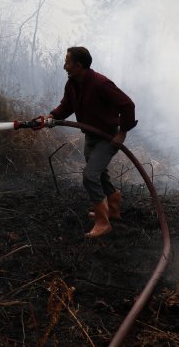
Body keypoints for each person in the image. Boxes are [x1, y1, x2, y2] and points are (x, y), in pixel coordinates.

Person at [47, 46, 137, 238]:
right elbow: (67, 105)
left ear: (78, 65)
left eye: (67, 62)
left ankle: (103, 222)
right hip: (91, 135)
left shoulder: (101, 84)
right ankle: (112, 209)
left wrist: (122, 133)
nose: (64, 66)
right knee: (98, 172)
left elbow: (127, 105)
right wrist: (52, 116)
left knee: (90, 176)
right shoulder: (72, 84)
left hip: (108, 137)